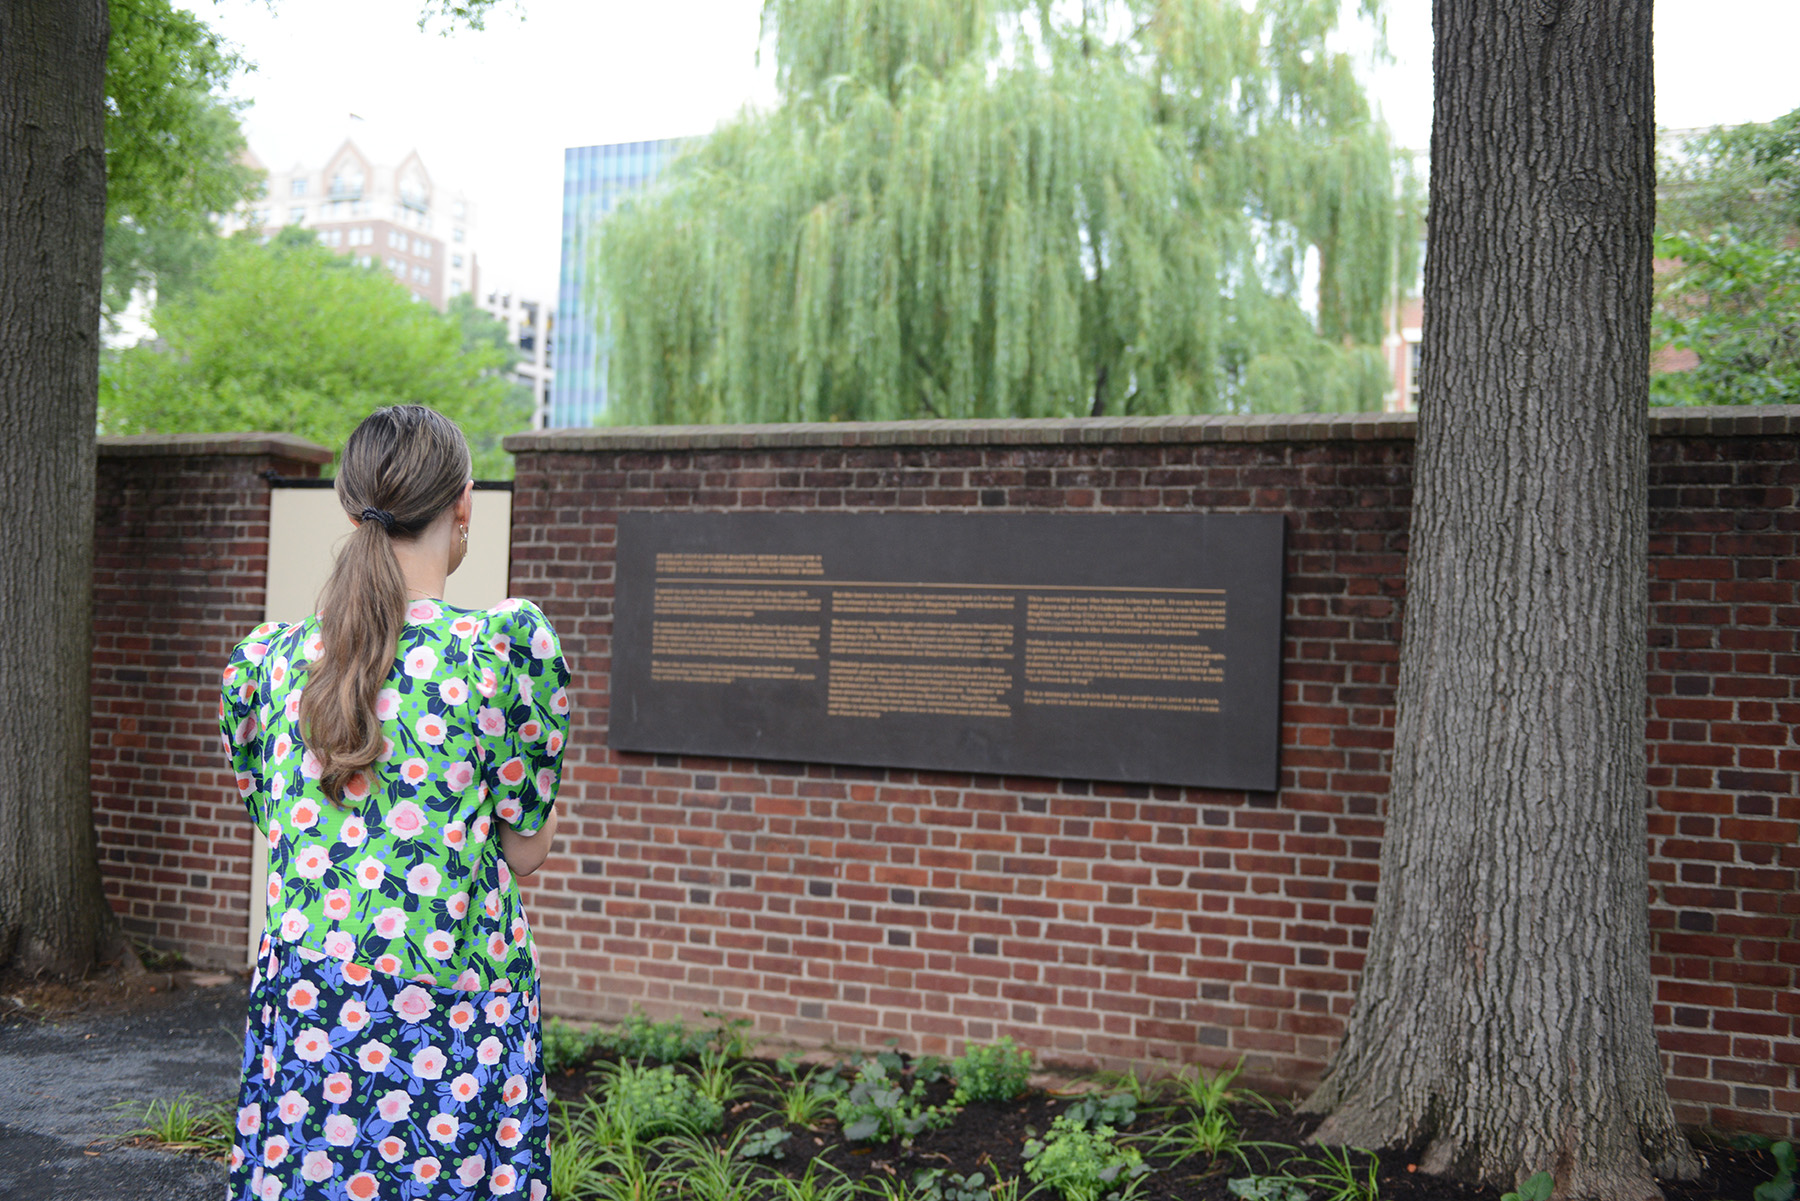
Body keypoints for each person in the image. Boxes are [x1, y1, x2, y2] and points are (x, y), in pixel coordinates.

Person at [219, 405, 571, 1201]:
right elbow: (528, 850)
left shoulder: (268, 663)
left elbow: (278, 826)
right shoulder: (498, 654)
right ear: (464, 505)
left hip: (310, 1011)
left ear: (349, 509)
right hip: (456, 1011)